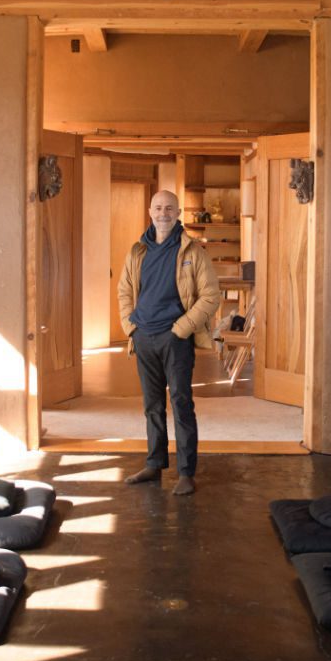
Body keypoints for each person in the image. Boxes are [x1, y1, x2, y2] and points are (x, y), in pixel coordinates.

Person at [117, 190, 221, 495]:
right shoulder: (138, 251)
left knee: (181, 403)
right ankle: (154, 463)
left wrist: (181, 329)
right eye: (158, 208)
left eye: (169, 208)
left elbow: (210, 296)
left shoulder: (193, 251)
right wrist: (130, 327)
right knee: (152, 406)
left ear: (178, 213)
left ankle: (186, 472)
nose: (163, 213)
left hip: (175, 338)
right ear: (150, 211)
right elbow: (124, 291)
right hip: (143, 337)